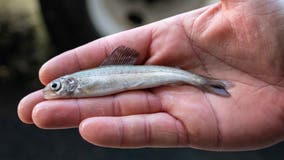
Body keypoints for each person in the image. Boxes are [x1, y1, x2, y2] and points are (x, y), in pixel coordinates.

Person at [18, 0, 284, 151]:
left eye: (56, 86)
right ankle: (204, 83)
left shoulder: (80, 83)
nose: (54, 88)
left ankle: (203, 83)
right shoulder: (80, 83)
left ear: (70, 83)